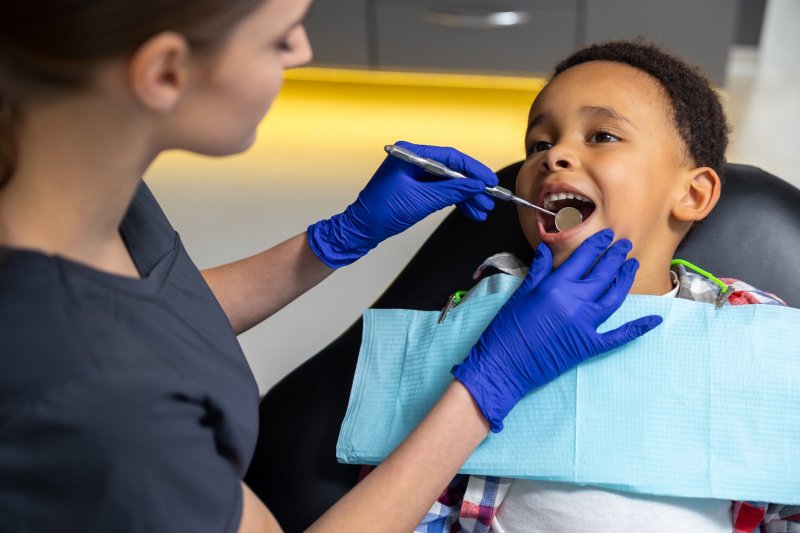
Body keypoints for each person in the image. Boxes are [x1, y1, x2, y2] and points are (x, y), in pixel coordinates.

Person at [0, 2, 662, 532]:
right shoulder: (92, 404)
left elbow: (136, 311)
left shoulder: (65, 179)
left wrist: (335, 240)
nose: (302, 52)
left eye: (601, 135)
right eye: (280, 36)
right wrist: (488, 388)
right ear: (165, 71)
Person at [414, 40, 796, 532]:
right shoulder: (477, 312)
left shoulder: (753, 328)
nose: (555, 157)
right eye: (539, 144)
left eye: (602, 135)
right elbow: (409, 493)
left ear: (692, 193)